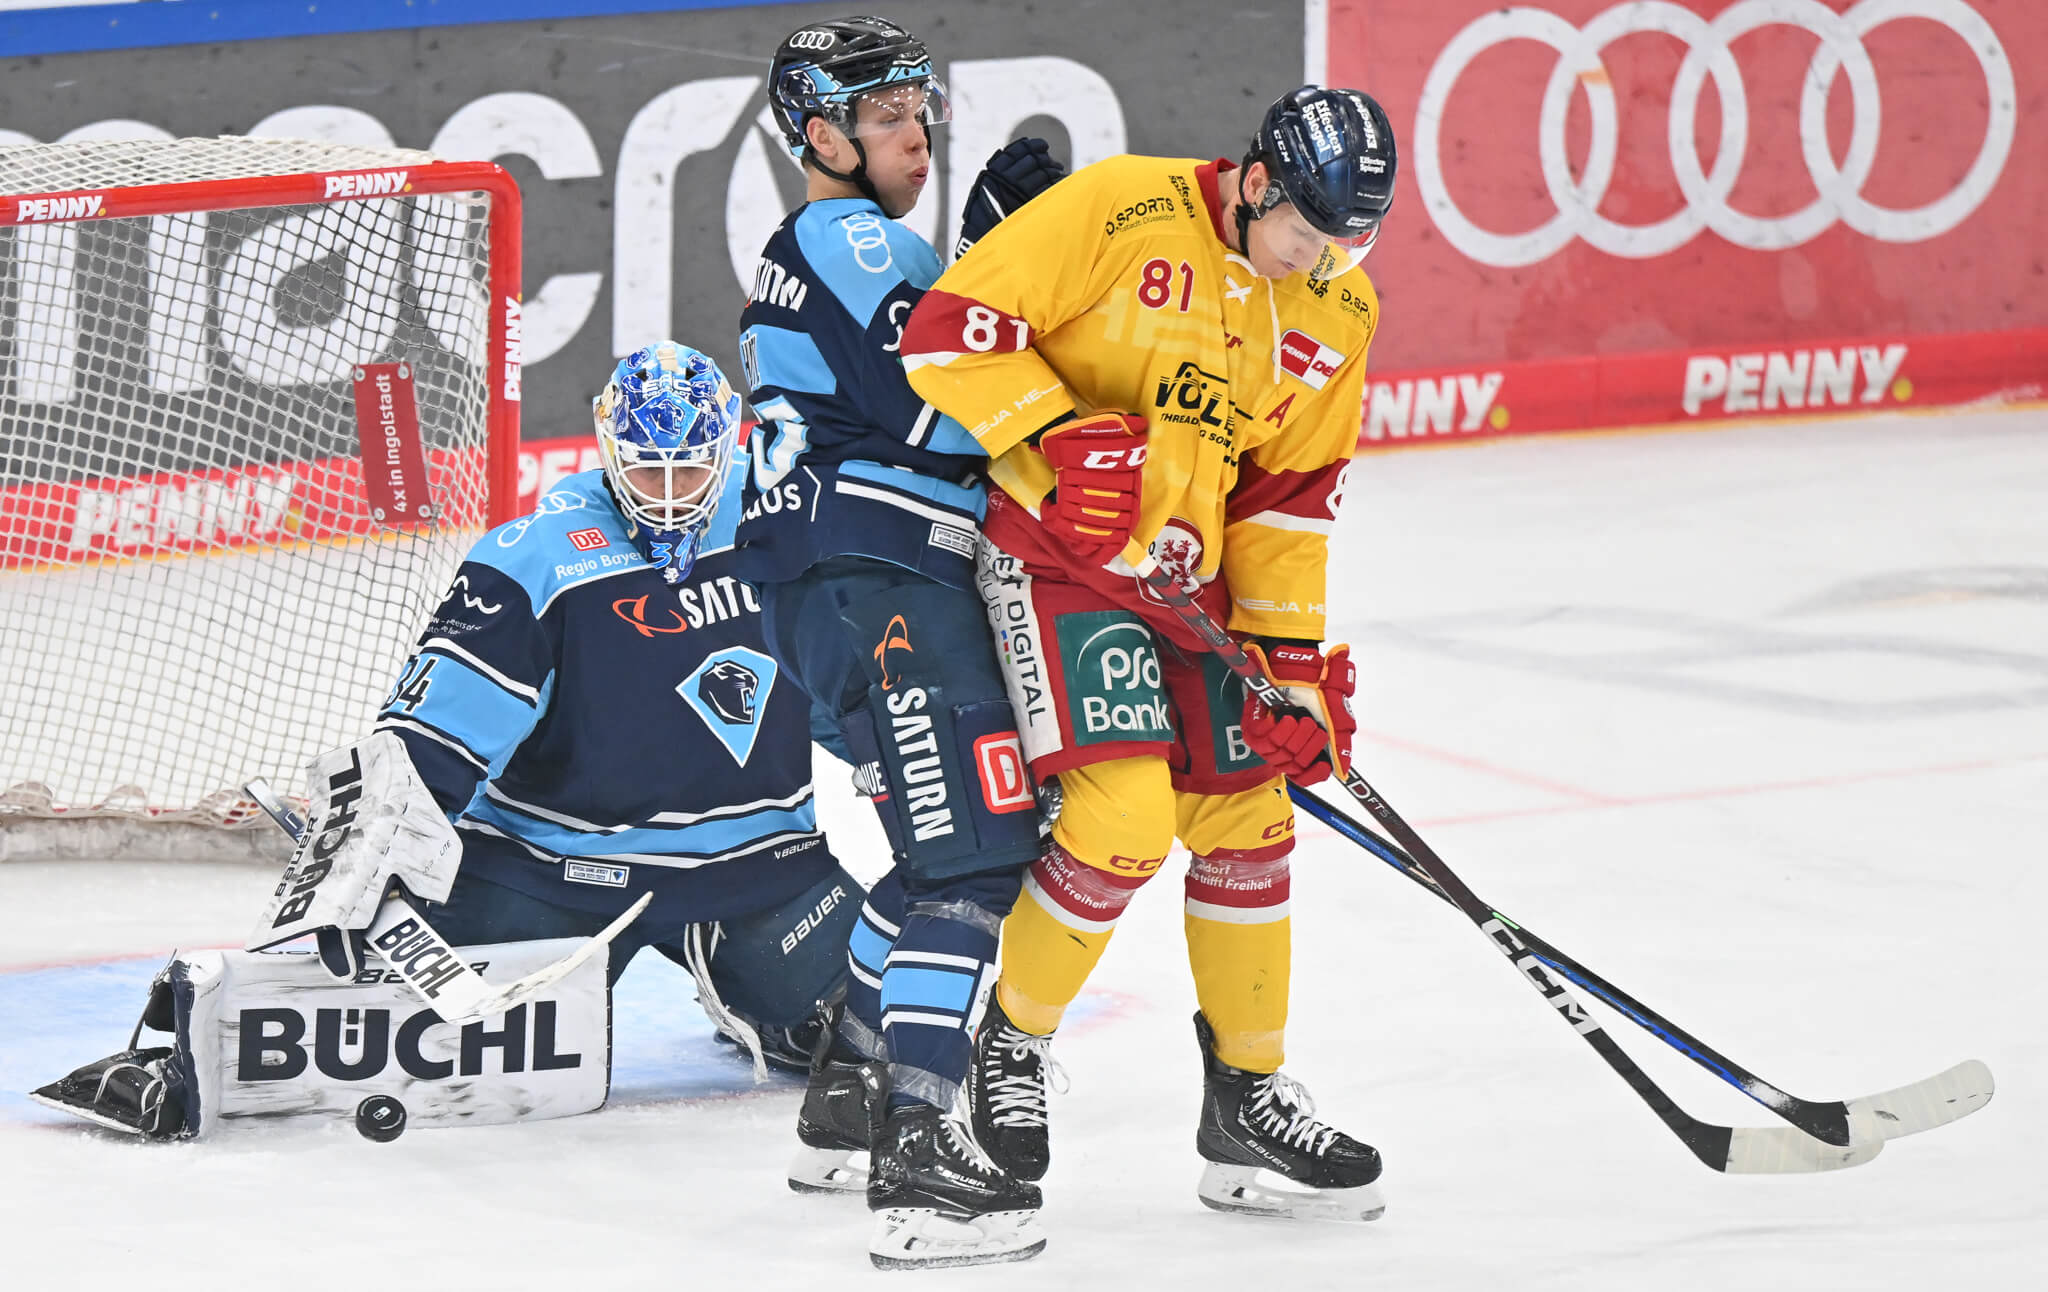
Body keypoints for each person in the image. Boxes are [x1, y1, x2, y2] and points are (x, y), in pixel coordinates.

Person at [33, 341, 866, 1138]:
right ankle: (188, 1050)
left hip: (761, 871)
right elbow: (428, 743)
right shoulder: (533, 558)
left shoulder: (788, 531)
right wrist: (360, 875)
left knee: (893, 1029)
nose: (671, 489)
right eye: (649, 464)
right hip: (554, 876)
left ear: (731, 443)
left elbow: (850, 686)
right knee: (373, 1034)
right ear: (610, 443)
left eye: (691, 464)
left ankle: (760, 988)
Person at [898, 85, 1398, 1224]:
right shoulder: (1122, 206)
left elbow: (1287, 502)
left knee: (1249, 813)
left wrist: (1290, 671)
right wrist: (1055, 433)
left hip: (1193, 585)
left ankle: (1246, 1096)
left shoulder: (1337, 306)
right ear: (1259, 179)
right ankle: (1007, 1048)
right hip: (1055, 560)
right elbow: (950, 331)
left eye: (1343, 241)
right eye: (1304, 231)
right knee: (1119, 818)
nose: (1316, 259)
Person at [738, 14, 1066, 1270]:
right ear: (818, 136)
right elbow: (954, 404)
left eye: (919, 114)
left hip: (837, 596)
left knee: (949, 850)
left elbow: (916, 379)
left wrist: (982, 254)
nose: (913, 139)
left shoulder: (835, 244)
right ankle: (917, 1148)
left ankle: (845, 1081)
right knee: (972, 862)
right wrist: (1010, 258)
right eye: (884, 121)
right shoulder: (850, 232)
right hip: (882, 586)